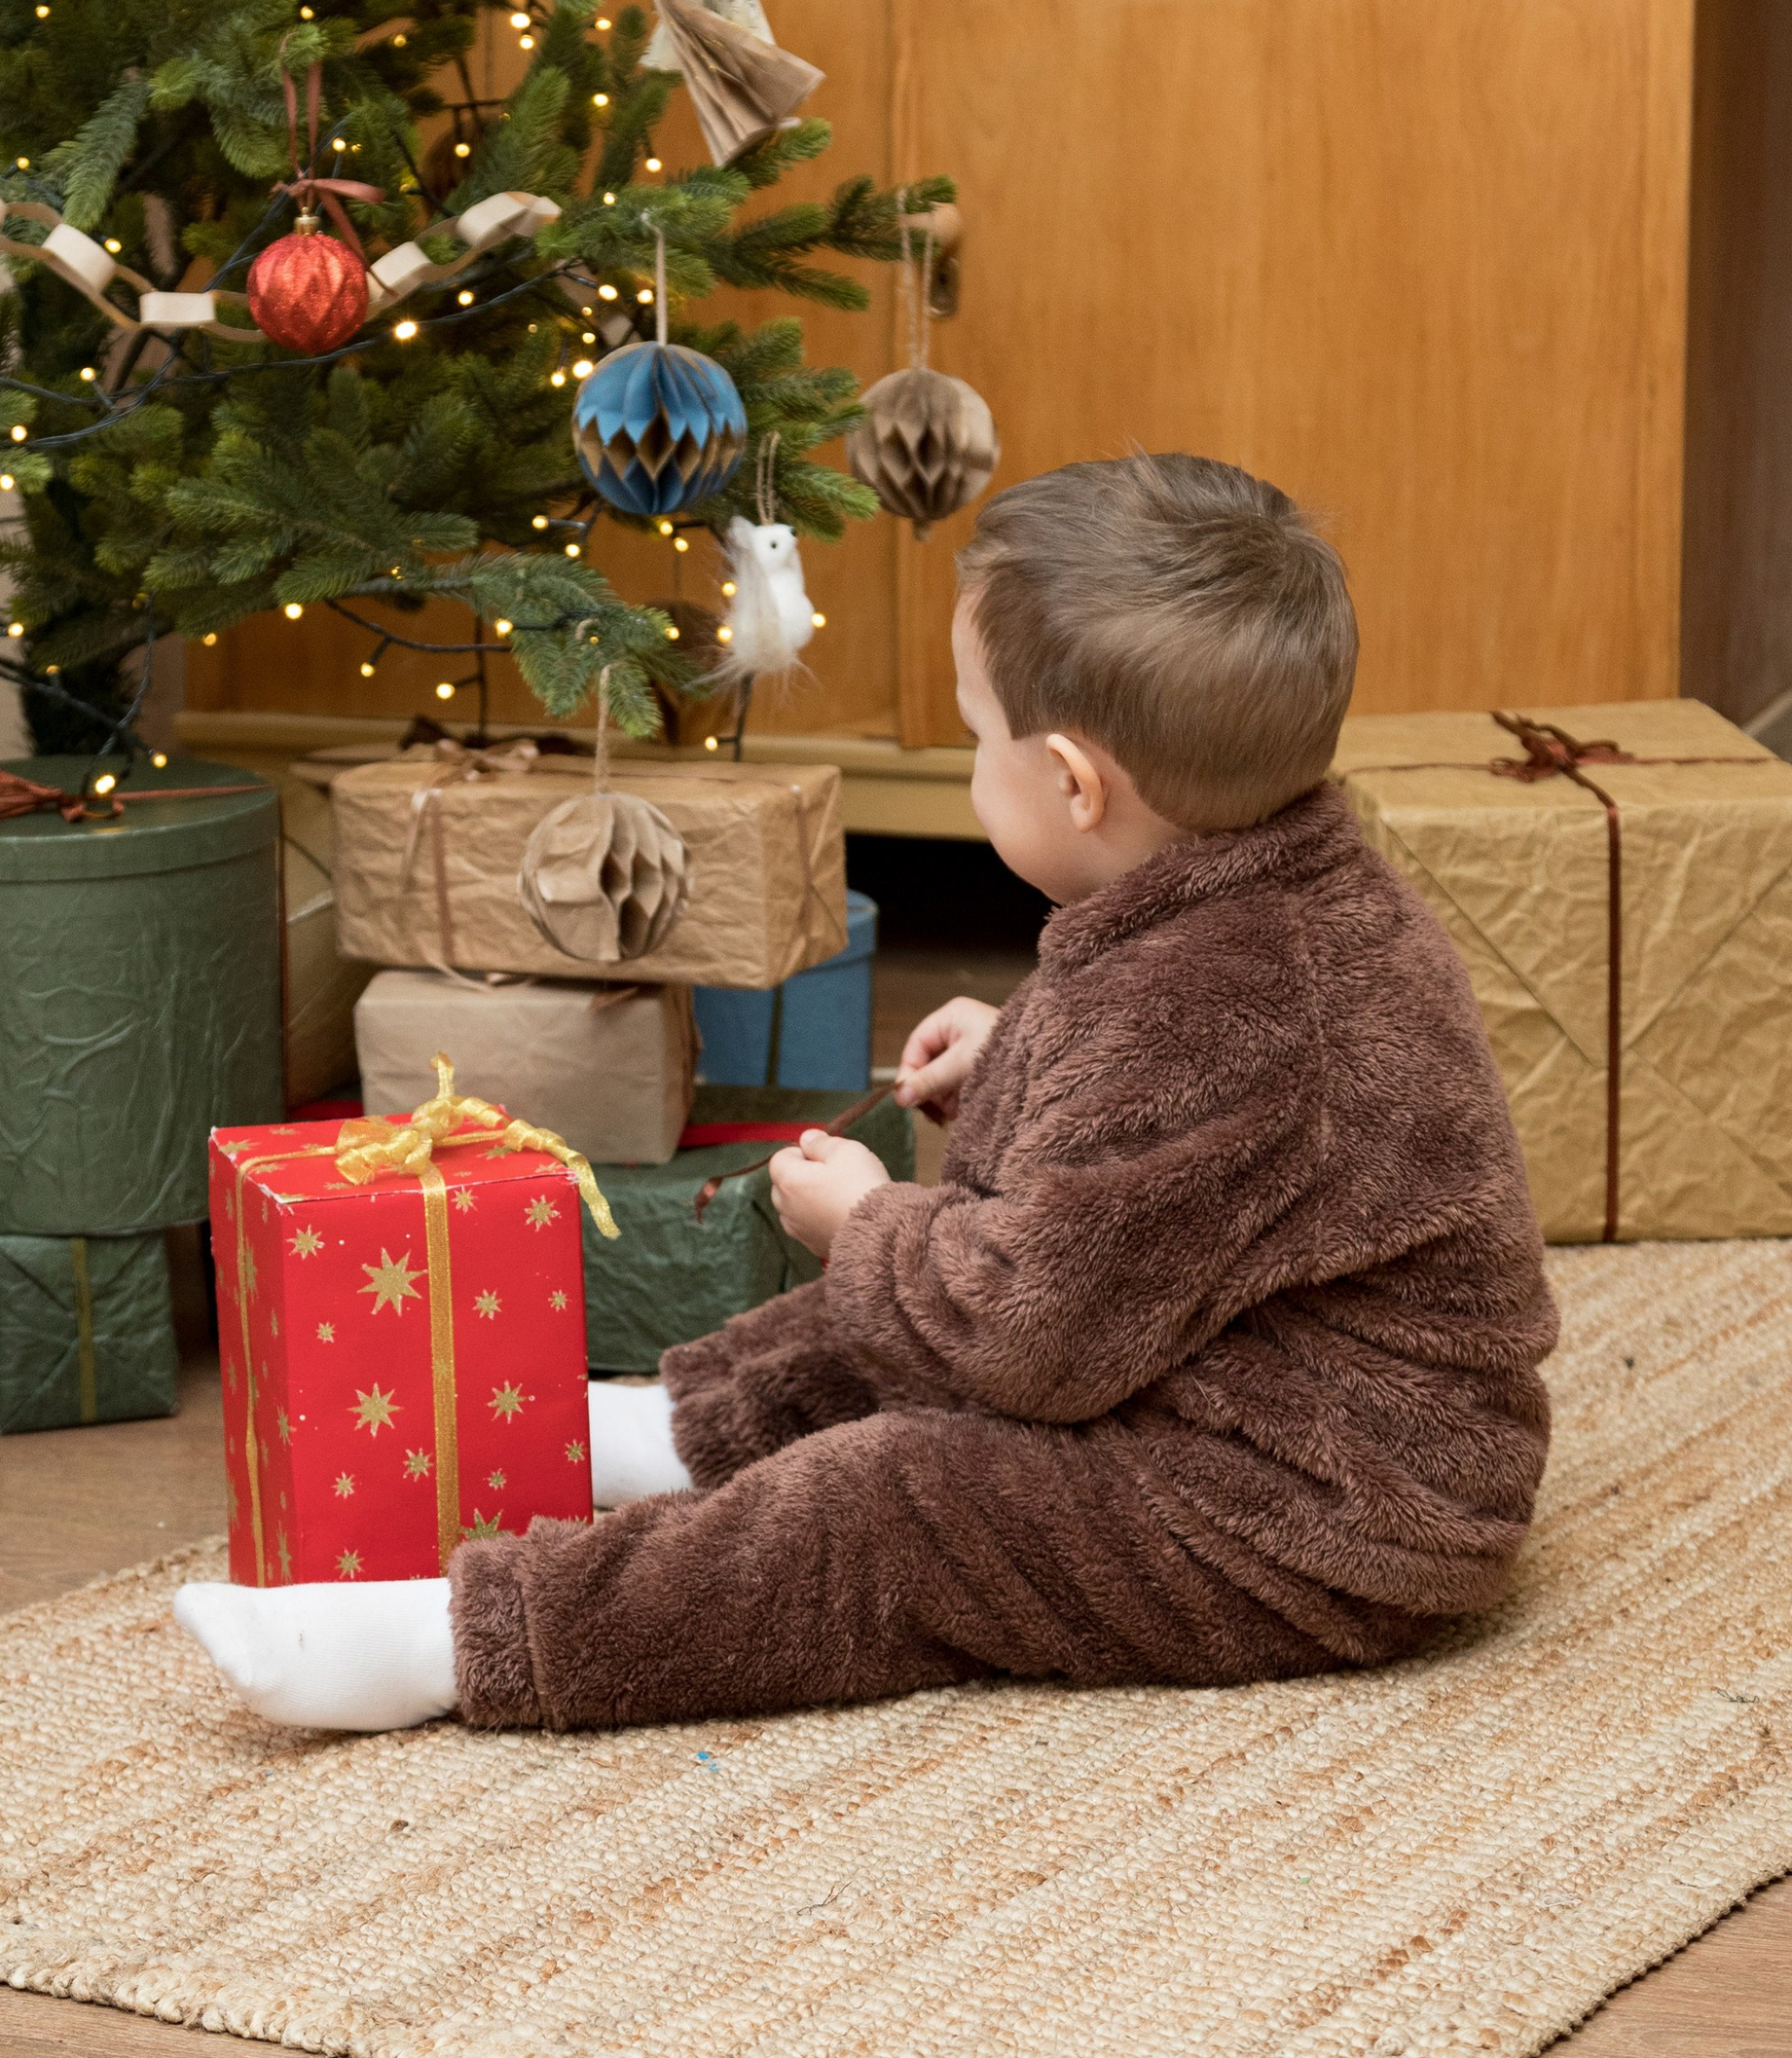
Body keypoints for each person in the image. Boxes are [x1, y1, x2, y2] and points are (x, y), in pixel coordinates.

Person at [177, 451, 1556, 1735]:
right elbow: (1183, 1161)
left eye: (974, 740)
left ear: (1073, 783)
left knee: (901, 1497)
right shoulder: (1264, 898)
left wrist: (871, 1224)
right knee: (888, 1317)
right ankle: (640, 1438)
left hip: (1326, 1506)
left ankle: (472, 1642)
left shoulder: (1222, 996)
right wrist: (1018, 1053)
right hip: (1218, 1369)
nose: (970, 767)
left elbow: (1035, 1339)